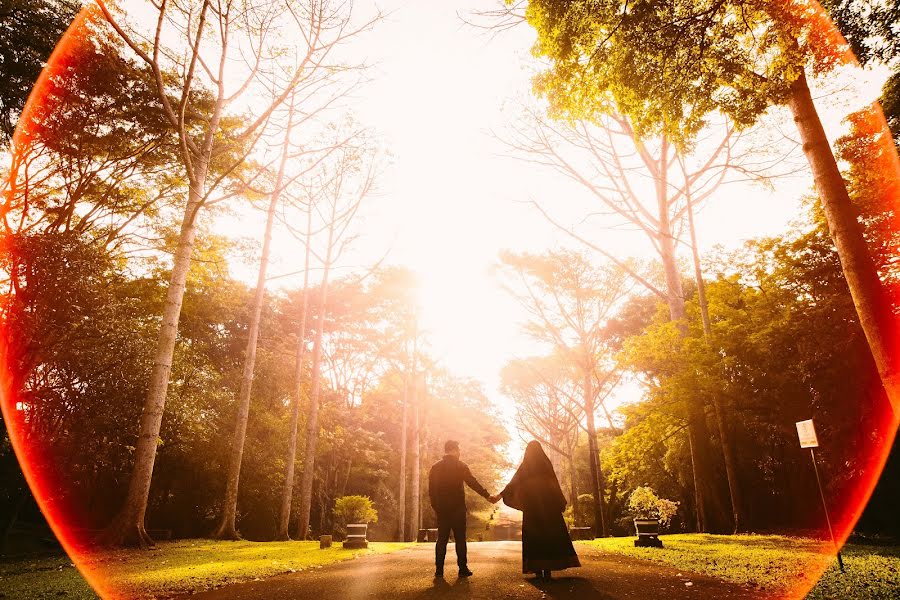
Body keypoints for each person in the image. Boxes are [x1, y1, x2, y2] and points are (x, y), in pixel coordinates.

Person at [491, 440, 580, 581]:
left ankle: (537, 568)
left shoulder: (525, 466)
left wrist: (500, 495)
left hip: (532, 509)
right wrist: (560, 502)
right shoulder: (546, 464)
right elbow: (554, 484)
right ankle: (549, 569)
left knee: (534, 537)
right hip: (549, 508)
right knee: (549, 536)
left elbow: (513, 483)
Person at [428, 439, 497, 578]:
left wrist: (436, 507)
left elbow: (432, 490)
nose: (460, 452)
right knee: (460, 539)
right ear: (453, 450)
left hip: (442, 510)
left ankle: (439, 570)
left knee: (441, 539)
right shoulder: (461, 466)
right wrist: (487, 496)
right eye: (458, 450)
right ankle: (462, 568)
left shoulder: (435, 467)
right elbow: (473, 483)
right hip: (458, 509)